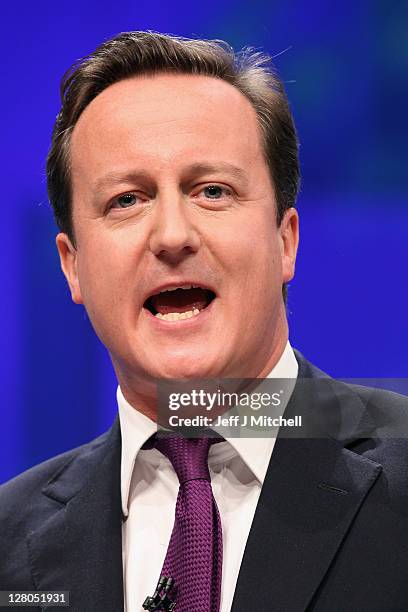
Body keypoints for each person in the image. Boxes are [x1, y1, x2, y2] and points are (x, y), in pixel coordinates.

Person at [0, 30, 407, 612]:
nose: (171, 236)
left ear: (285, 241)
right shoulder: (7, 546)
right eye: (126, 200)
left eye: (212, 191)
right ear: (73, 267)